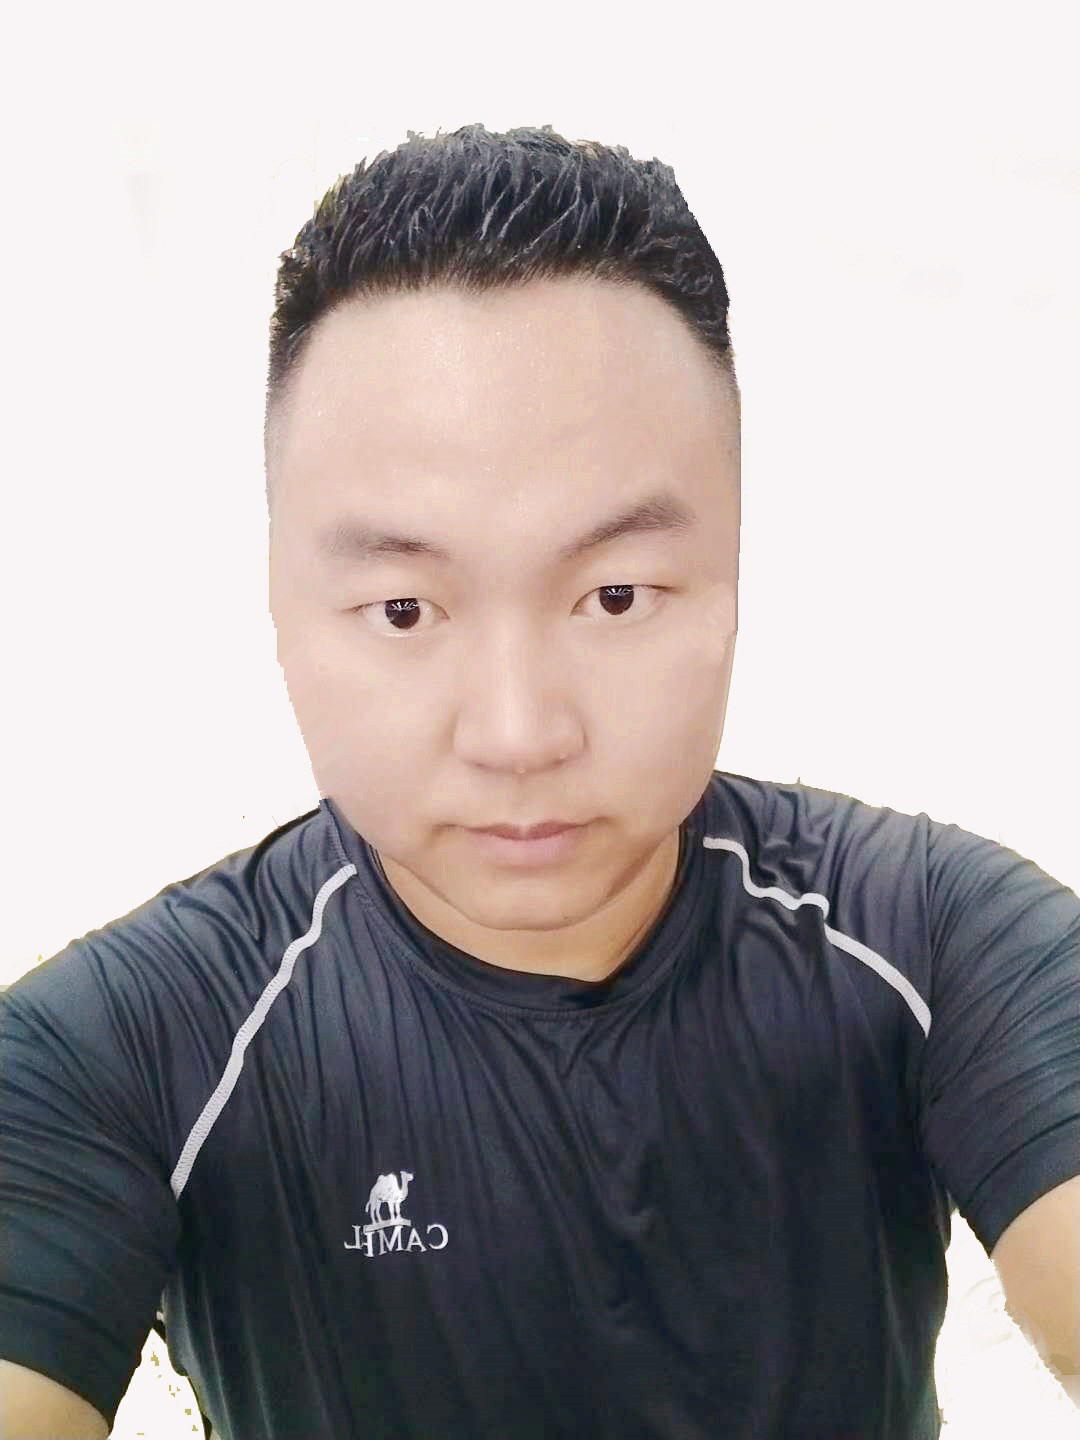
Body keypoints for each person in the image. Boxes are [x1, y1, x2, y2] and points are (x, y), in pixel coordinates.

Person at [1, 122, 1078, 1440]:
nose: (519, 734)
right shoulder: (115, 1052)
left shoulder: (943, 940)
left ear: (735, 577)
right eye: (405, 609)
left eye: (614, 595)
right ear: (280, 608)